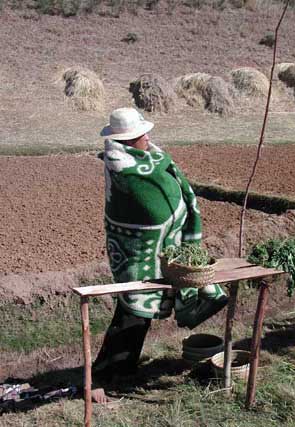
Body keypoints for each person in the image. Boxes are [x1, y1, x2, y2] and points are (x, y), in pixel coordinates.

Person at [92, 107, 228, 404]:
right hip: (136, 252)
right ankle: (106, 375)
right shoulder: (121, 166)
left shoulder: (152, 157)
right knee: (133, 311)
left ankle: (119, 369)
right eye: (143, 134)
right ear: (129, 140)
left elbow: (166, 187)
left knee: (136, 314)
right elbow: (151, 205)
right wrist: (176, 215)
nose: (148, 137)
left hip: (157, 249)